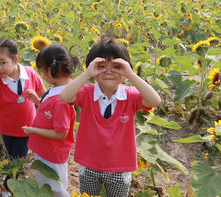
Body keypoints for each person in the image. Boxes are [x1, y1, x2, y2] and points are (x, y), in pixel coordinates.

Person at [60, 37, 161, 197]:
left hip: (119, 168)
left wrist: (130, 74)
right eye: (101, 66)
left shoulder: (129, 96)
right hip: (89, 165)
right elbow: (65, 96)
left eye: (116, 66)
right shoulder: (87, 93)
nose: (108, 71)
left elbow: (155, 100)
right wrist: (87, 73)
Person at [0, 37, 46, 197]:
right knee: (12, 158)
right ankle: (15, 183)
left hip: (27, 128)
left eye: (3, 62)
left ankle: (7, 189)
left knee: (18, 159)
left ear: (16, 59)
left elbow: (43, 93)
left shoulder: (30, 73)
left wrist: (41, 104)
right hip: (6, 128)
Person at [22, 44, 77, 197]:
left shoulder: (61, 100)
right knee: (47, 184)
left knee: (55, 188)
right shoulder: (57, 88)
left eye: (42, 70)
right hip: (46, 149)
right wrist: (39, 101)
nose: (42, 74)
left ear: (49, 70)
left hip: (52, 152)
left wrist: (34, 130)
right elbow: (50, 112)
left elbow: (61, 133)